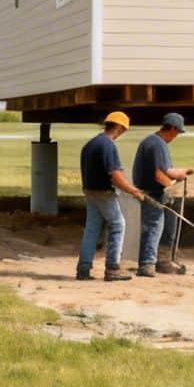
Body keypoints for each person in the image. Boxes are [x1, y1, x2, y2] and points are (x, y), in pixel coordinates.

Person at [76, 111, 148, 281]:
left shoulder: (91, 144)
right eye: (124, 129)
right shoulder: (108, 145)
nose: (123, 132)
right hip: (103, 193)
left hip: (90, 191)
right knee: (118, 225)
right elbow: (115, 176)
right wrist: (134, 191)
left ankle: (83, 269)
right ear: (119, 127)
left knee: (92, 229)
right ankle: (112, 269)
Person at [132, 112, 194, 276]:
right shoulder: (157, 144)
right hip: (152, 193)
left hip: (150, 191)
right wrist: (172, 186)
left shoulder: (153, 142)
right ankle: (147, 265)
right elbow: (160, 174)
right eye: (177, 132)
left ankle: (161, 261)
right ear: (172, 129)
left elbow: (166, 170)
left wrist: (182, 172)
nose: (176, 136)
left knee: (162, 227)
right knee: (153, 228)